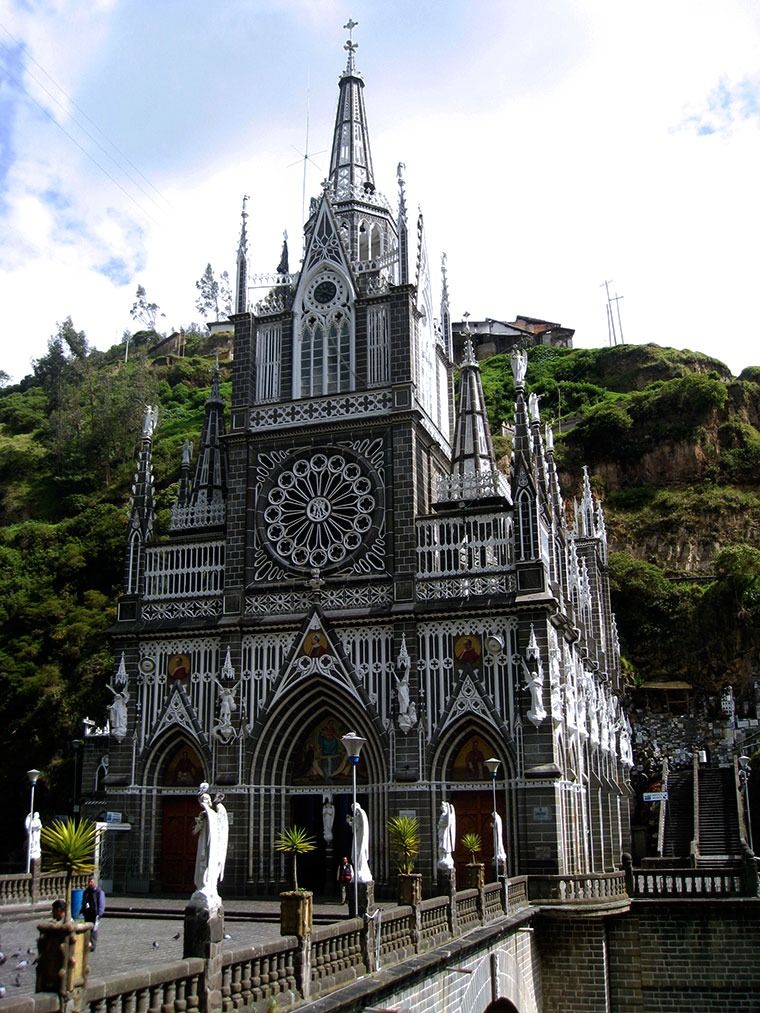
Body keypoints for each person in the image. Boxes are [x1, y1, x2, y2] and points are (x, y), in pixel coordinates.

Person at [81, 877, 106, 951]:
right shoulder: (86, 892)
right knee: (87, 928)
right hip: (88, 913)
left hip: (95, 914)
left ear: (94, 882)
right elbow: (84, 901)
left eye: (91, 882)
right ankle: (87, 943)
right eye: (89, 882)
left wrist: (99, 914)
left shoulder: (99, 892)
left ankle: (92, 945)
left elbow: (102, 904)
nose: (89, 883)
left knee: (94, 929)